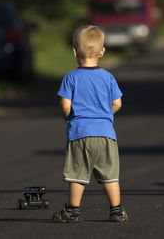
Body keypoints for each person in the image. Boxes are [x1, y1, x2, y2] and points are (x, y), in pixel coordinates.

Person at [53, 25, 128, 223]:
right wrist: (104, 114)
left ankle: (73, 210)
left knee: (78, 174)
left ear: (75, 51)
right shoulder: (108, 77)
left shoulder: (70, 78)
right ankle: (116, 210)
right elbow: (117, 103)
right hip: (106, 134)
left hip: (80, 133)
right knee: (110, 175)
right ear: (102, 51)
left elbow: (65, 105)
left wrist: (67, 116)